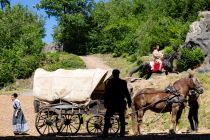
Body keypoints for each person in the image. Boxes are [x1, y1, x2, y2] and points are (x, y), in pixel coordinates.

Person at [101, 69, 132, 137]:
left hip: (112, 103)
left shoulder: (110, 82)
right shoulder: (123, 82)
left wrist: (105, 102)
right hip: (120, 103)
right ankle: (122, 133)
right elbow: (126, 93)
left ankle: (105, 133)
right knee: (122, 118)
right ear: (118, 74)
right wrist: (129, 101)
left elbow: (106, 94)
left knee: (107, 117)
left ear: (113, 74)